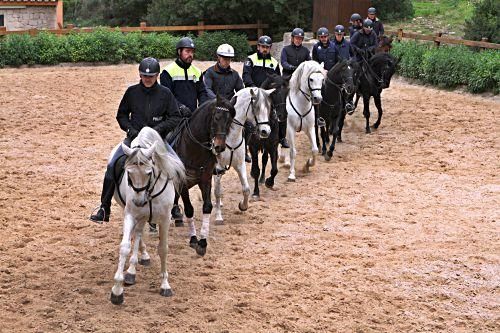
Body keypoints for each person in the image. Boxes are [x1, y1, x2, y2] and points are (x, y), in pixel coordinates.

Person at [89, 58, 181, 223]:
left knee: (177, 166)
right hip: (133, 139)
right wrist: (130, 129)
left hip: (157, 141)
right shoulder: (131, 92)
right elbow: (121, 115)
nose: (148, 79)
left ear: (157, 76)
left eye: (151, 76)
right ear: (140, 75)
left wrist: (158, 130)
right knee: (112, 165)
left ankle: (174, 206)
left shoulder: (165, 93)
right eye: (145, 76)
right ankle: (104, 207)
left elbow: (175, 117)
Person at [242, 35, 287, 151]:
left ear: (270, 48)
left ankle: (282, 138)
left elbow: (278, 79)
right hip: (254, 94)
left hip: (269, 95)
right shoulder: (250, 60)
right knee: (246, 117)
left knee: (281, 111)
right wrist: (255, 89)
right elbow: (246, 76)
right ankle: (245, 143)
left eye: (267, 47)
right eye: (263, 47)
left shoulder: (274, 62)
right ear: (258, 47)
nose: (265, 49)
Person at [160, 37, 212, 117]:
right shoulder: (167, 72)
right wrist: (180, 107)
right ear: (179, 52)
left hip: (193, 116)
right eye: (187, 51)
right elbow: (167, 96)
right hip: (173, 115)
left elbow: (202, 92)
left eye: (192, 52)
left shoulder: (197, 72)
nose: (190, 54)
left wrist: (203, 107)